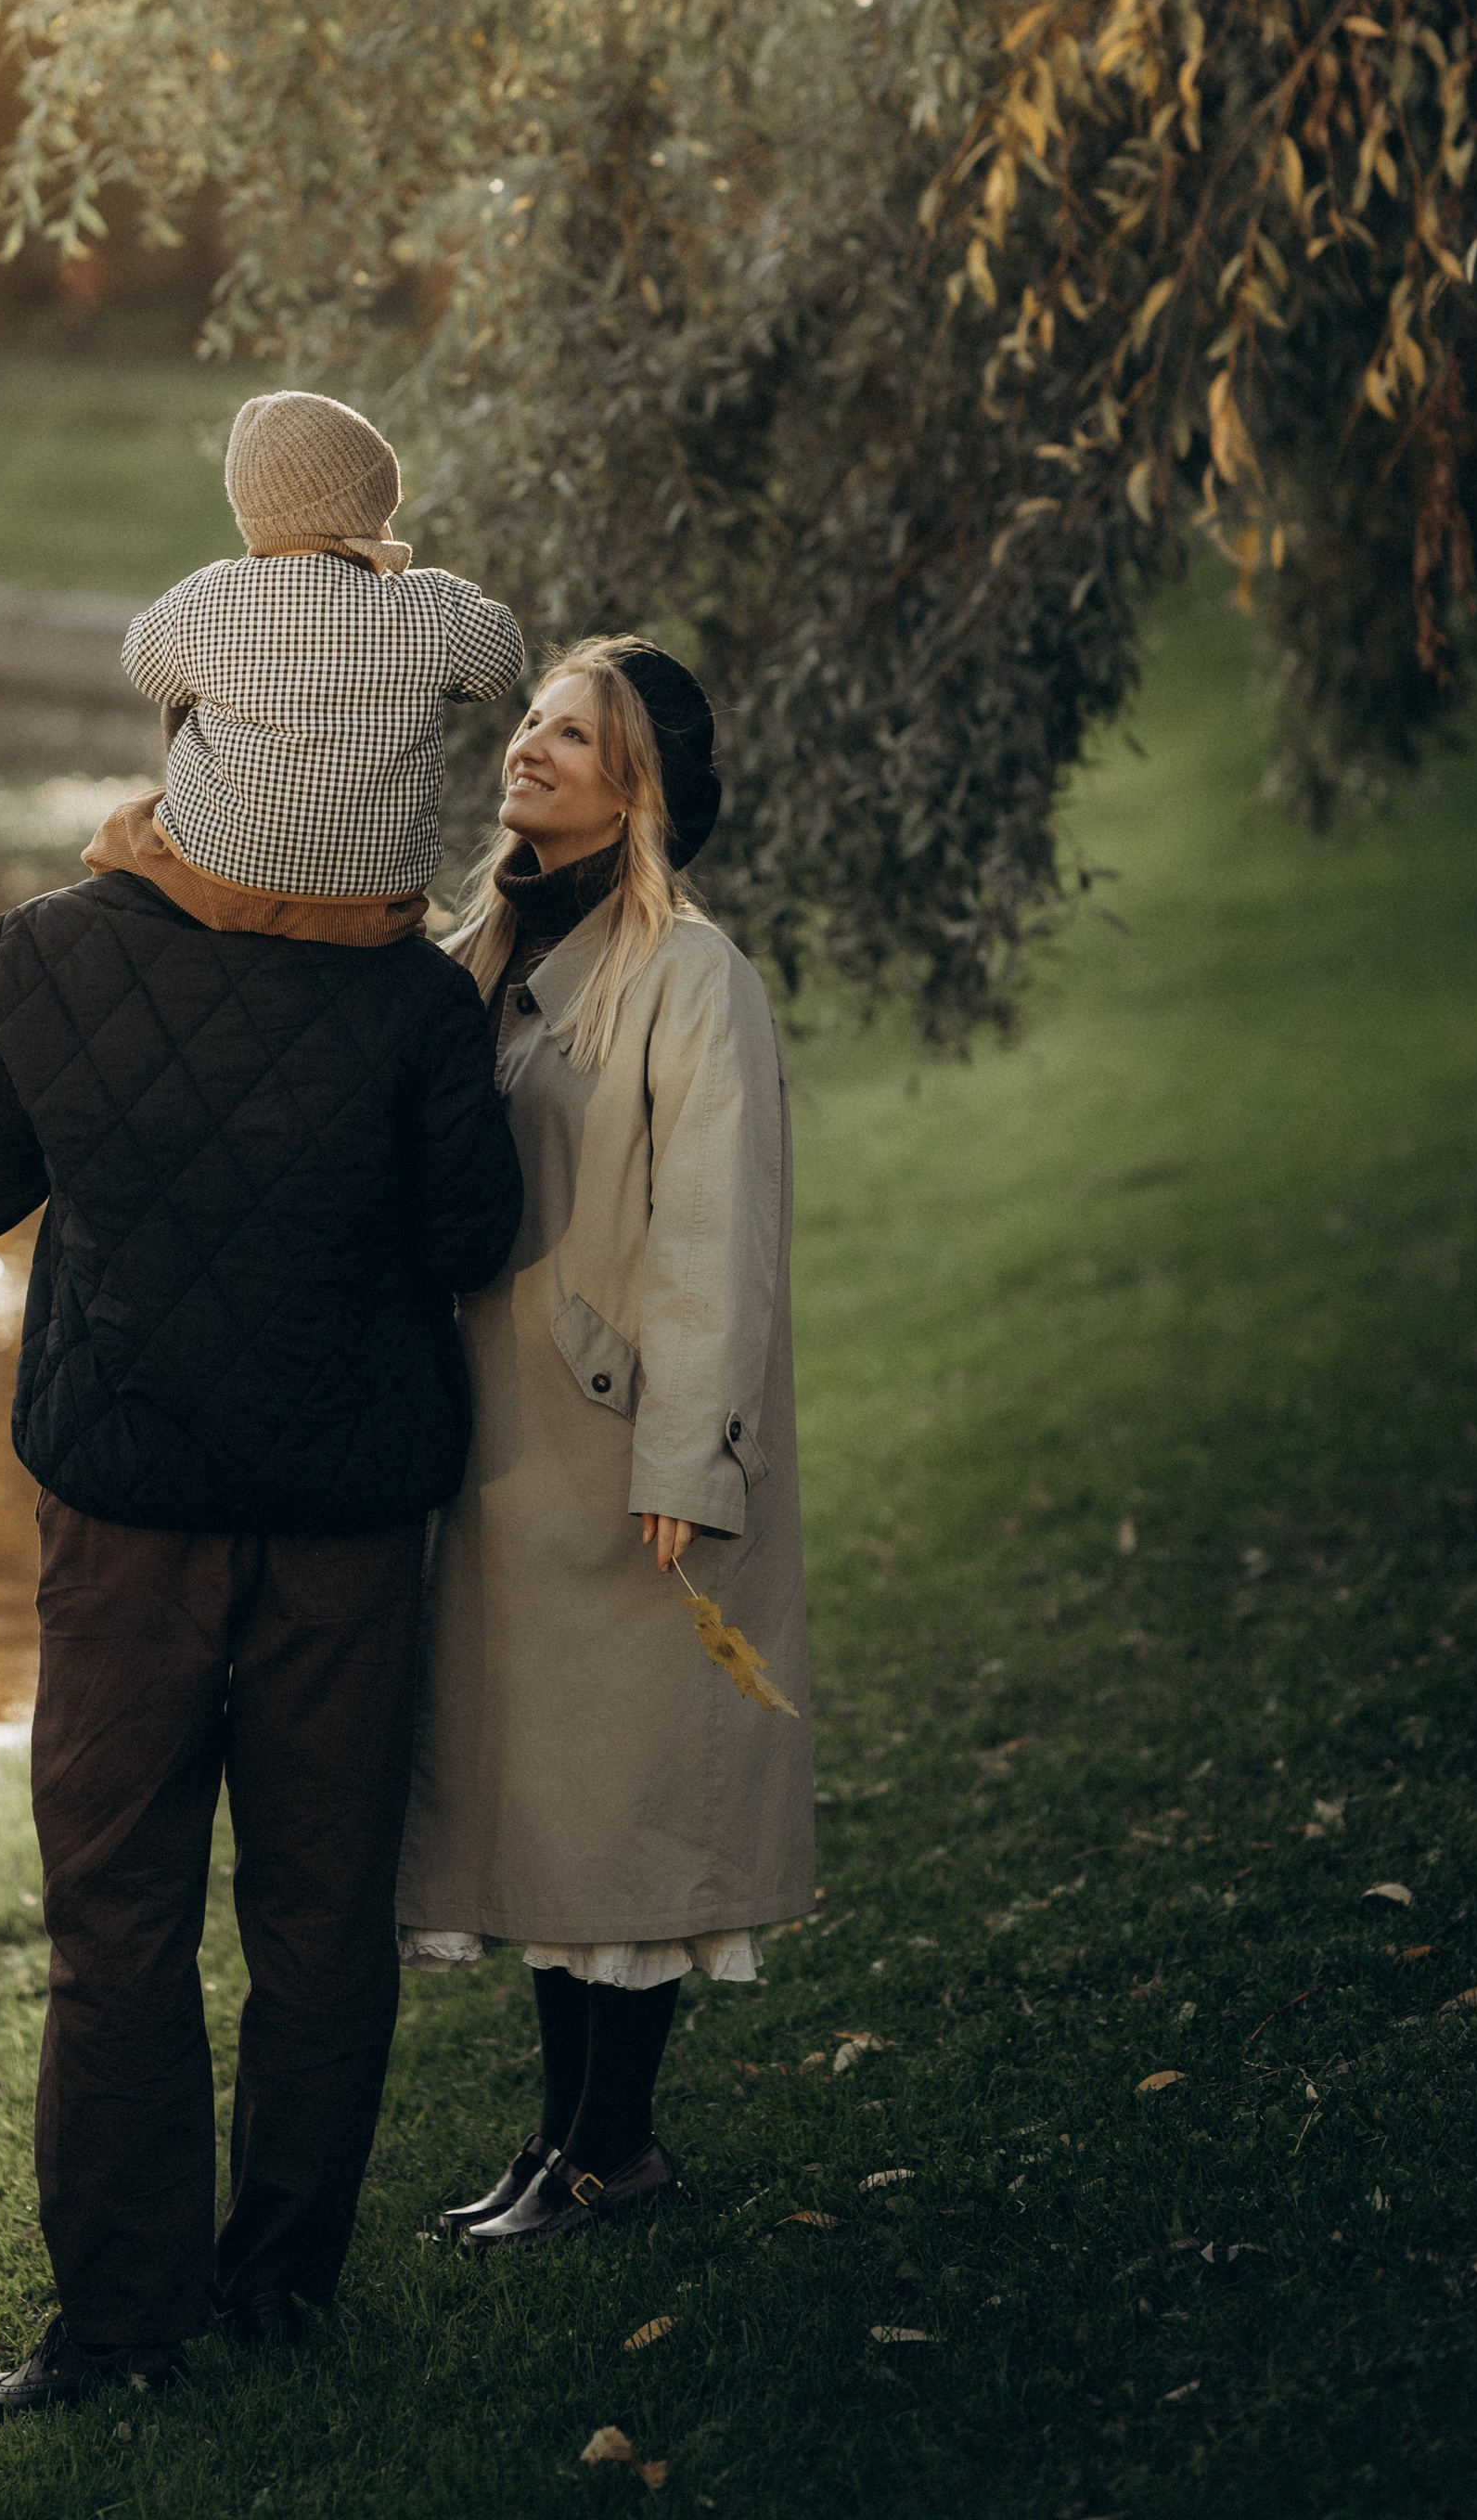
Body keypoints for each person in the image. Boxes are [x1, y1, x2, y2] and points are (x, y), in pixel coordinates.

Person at [0, 409, 527, 2416]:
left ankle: (113, 2330)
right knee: (315, 1918)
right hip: (347, 1515)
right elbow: (473, 1230)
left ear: (195, 742)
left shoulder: (42, 955)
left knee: (114, 1919)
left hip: (127, 1518)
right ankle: (278, 2297)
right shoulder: (420, 1001)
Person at [397, 636, 816, 2246]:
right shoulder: (483, 947)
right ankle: (556, 2142)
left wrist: (691, 1466)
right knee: (555, 1811)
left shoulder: (691, 977)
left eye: (574, 736)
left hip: (629, 1465)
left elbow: (717, 1237)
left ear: (637, 787)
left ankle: (613, 2151)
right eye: (534, 725)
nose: (534, 750)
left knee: (627, 1809)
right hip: (503, 1467)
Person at [118, 388, 524, 925]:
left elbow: (143, 666)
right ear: (364, 508)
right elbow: (501, 660)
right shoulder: (430, 607)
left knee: (125, 829)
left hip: (219, 881)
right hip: (372, 904)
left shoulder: (207, 597)